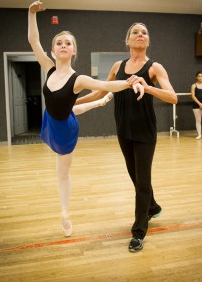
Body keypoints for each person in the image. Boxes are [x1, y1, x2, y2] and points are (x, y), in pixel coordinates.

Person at [28, 0, 144, 237]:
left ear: (73, 51)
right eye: (58, 43)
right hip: (50, 119)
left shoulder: (78, 79)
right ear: (53, 50)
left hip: (65, 130)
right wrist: (31, 13)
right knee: (69, 108)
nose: (63, 45)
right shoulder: (48, 67)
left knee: (62, 172)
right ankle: (99, 103)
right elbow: (33, 40)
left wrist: (130, 81)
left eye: (68, 43)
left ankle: (65, 214)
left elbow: (104, 83)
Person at [76, 22, 177, 252]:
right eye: (135, 32)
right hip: (123, 130)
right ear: (128, 40)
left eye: (144, 33)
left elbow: (172, 97)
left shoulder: (154, 67)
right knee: (136, 177)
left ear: (147, 41)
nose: (140, 35)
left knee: (142, 182)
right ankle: (152, 206)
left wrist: (147, 86)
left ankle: (138, 232)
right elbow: (100, 91)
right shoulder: (117, 66)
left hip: (145, 132)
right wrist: (73, 101)